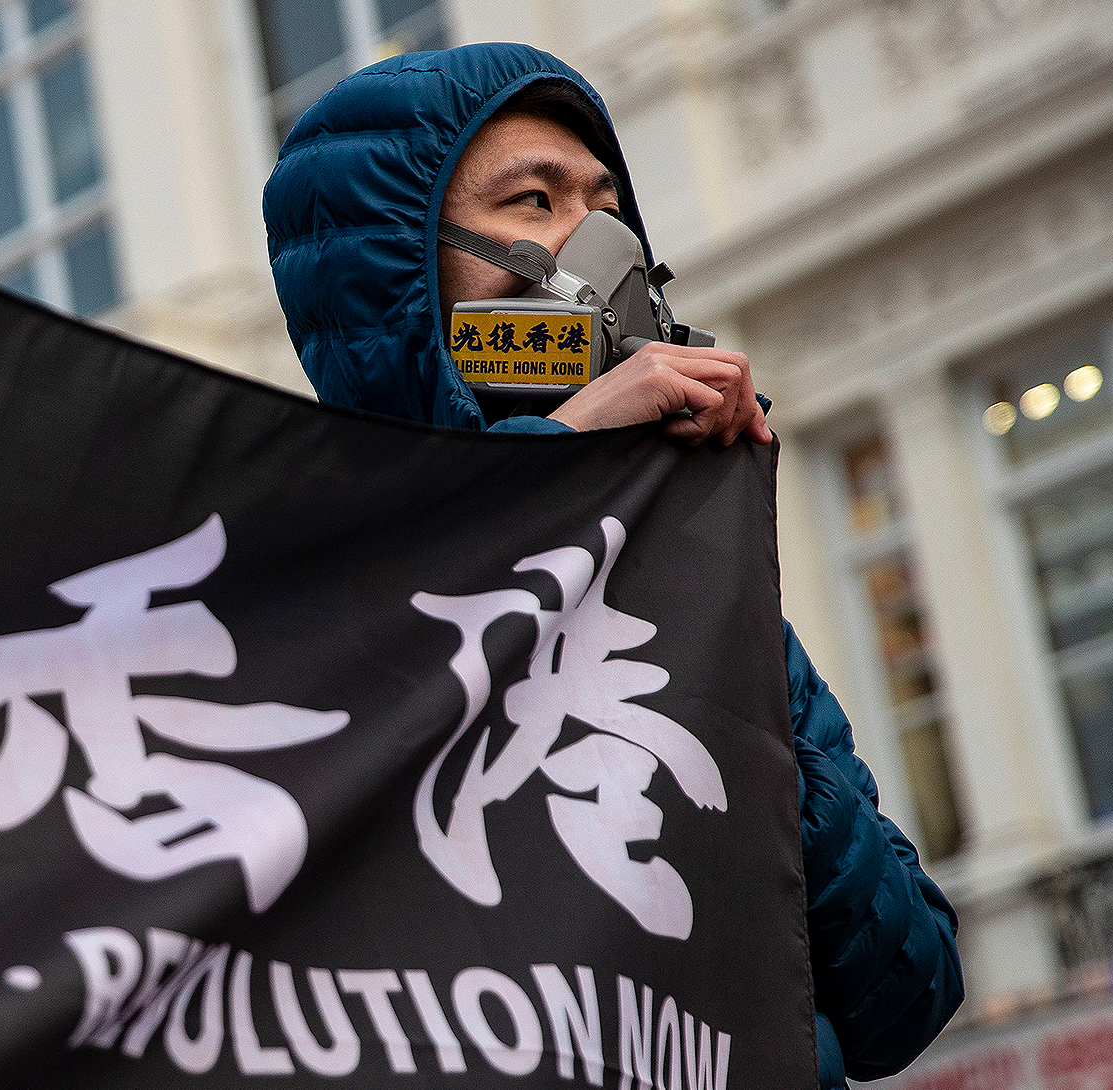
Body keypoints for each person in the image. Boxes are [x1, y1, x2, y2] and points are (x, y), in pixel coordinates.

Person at [262, 43, 963, 1087]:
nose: (593, 243)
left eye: (604, 204)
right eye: (533, 203)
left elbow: (905, 993)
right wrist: (559, 490)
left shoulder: (685, 569)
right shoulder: (303, 588)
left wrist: (717, 605)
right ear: (405, 269)